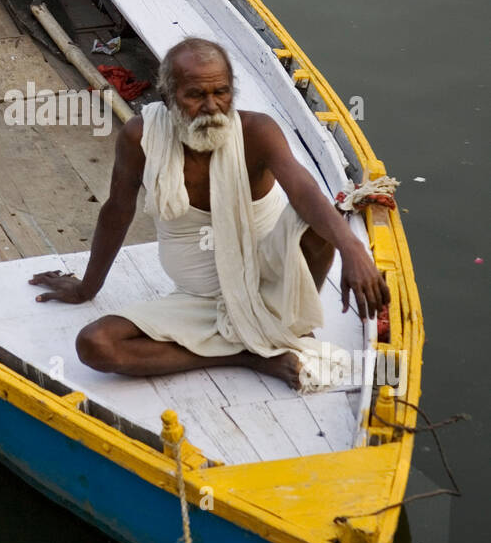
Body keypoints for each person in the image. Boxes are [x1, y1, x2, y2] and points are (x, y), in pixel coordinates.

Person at [29, 37, 389, 392]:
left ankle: (287, 324)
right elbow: (118, 210)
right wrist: (86, 288)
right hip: (197, 301)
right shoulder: (141, 136)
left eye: (221, 92)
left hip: (274, 286)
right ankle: (246, 356)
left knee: (318, 220)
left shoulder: (257, 132)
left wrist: (352, 249)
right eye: (196, 96)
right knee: (95, 345)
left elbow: (304, 191)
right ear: (168, 98)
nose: (212, 107)